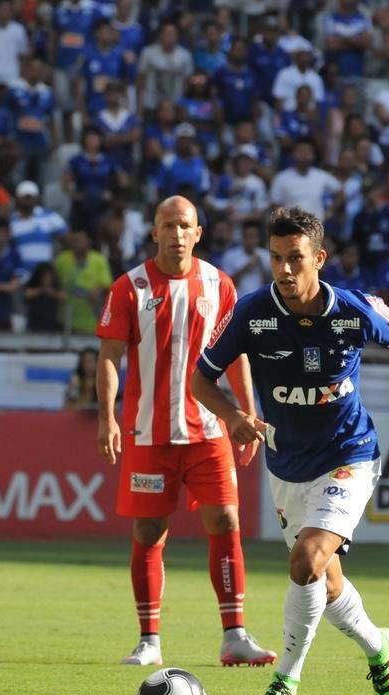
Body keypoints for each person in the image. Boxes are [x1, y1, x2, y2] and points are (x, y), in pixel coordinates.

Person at [191, 206, 389, 695]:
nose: (284, 269)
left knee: (305, 560)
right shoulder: (252, 313)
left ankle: (286, 681)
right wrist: (232, 414)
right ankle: (379, 648)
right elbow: (201, 379)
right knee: (323, 582)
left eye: (295, 258)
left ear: (318, 259)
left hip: (349, 455)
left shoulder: (353, 310)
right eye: (276, 258)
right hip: (287, 467)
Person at [95, 195, 275, 669]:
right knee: (150, 530)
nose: (176, 234)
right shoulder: (128, 287)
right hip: (148, 434)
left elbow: (236, 355)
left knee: (226, 521)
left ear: (198, 233)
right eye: (167, 226)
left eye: (185, 226)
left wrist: (246, 413)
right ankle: (149, 639)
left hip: (209, 429)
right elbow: (109, 357)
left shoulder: (220, 285)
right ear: (154, 232)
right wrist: (106, 416)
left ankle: (234, 635)